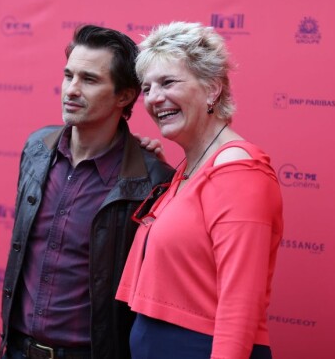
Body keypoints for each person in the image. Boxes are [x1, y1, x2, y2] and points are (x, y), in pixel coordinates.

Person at [0, 25, 174, 359]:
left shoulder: (153, 180)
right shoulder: (36, 148)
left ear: (124, 96)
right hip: (16, 349)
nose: (71, 90)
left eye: (89, 80)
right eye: (69, 76)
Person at [116, 21, 284, 359]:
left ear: (212, 89)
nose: (154, 98)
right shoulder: (186, 169)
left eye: (168, 82)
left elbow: (240, 305)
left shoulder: (238, 171)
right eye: (147, 88)